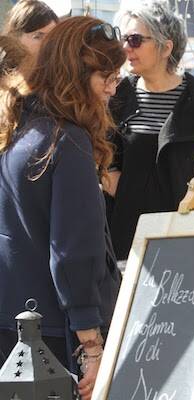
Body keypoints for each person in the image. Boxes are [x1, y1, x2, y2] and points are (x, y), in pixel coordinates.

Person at [0, 18, 125, 400]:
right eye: (106, 75)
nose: (112, 87)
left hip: (17, 322)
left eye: (116, 76)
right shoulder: (65, 139)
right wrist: (93, 346)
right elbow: (73, 251)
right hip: (54, 334)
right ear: (76, 74)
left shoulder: (20, 128)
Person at [106, 2, 194, 260]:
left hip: (187, 236)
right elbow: (103, 150)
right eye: (124, 39)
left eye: (135, 40)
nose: (127, 48)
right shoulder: (119, 96)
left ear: (166, 47)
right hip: (129, 236)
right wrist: (112, 178)